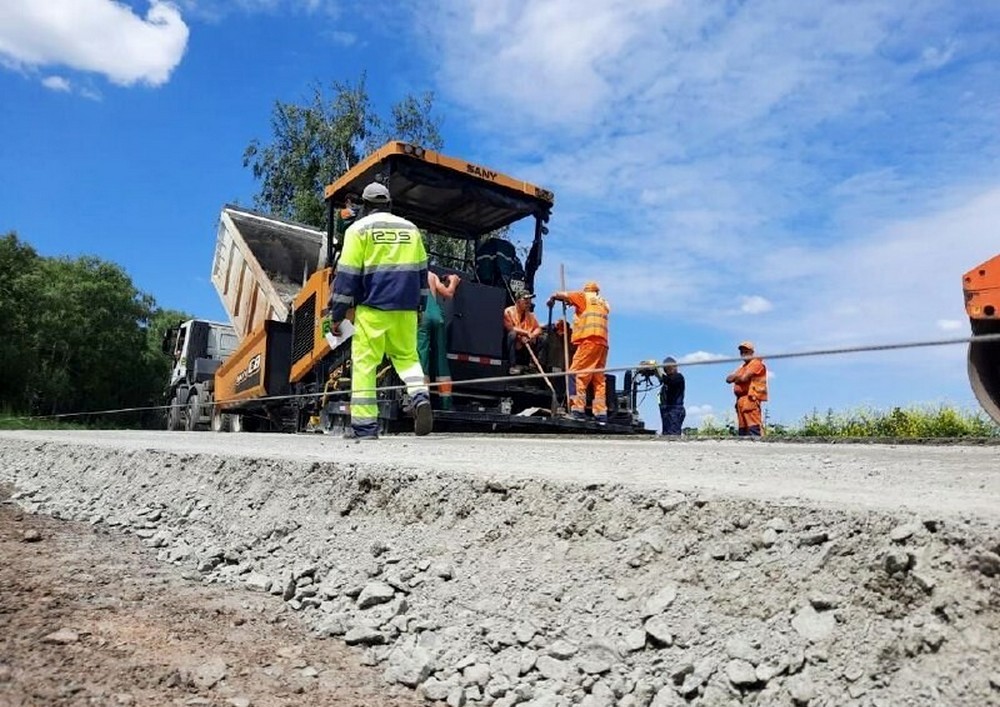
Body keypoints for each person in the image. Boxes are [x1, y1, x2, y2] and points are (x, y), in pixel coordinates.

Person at [327, 182, 433, 439]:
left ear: (365, 205)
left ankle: (365, 427)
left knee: (365, 364)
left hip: (373, 308)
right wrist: (420, 308)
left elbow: (347, 276)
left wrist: (337, 314)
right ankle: (420, 397)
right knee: (408, 358)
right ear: (388, 204)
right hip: (406, 309)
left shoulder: (358, 230)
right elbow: (422, 274)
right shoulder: (411, 230)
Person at [547, 281, 610, 422]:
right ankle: (600, 413)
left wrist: (553, 297)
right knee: (598, 378)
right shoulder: (603, 303)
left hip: (589, 342)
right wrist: (573, 303)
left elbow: (562, 295)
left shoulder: (584, 297)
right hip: (603, 344)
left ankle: (578, 409)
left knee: (575, 374)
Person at [418, 271, 461, 410]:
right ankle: (446, 403)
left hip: (422, 315)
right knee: (441, 358)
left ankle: (422, 400)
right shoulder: (432, 275)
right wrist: (453, 280)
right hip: (438, 316)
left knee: (422, 358)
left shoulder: (412, 273)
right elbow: (448, 294)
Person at [725, 340, 768, 437]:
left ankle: (758, 448)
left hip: (750, 398)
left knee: (753, 428)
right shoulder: (743, 367)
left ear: (752, 352)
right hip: (741, 401)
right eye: (741, 352)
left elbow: (744, 378)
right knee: (742, 430)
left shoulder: (756, 363)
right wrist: (738, 377)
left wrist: (735, 377)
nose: (743, 353)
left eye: (746, 351)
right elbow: (728, 379)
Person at [503, 291, 544, 374]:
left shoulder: (530, 315)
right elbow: (510, 328)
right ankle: (512, 366)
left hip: (526, 344)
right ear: (518, 301)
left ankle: (532, 365)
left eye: (529, 299)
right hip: (513, 344)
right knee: (512, 334)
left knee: (542, 338)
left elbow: (538, 329)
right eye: (525, 299)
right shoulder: (508, 311)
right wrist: (525, 333)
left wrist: (532, 335)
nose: (528, 302)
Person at [657, 356, 686, 435]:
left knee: (673, 436)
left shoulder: (678, 377)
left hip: (674, 410)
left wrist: (657, 371)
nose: (667, 370)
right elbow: (665, 380)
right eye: (666, 368)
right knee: (666, 435)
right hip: (667, 411)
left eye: (669, 367)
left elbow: (669, 381)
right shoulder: (666, 383)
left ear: (675, 367)